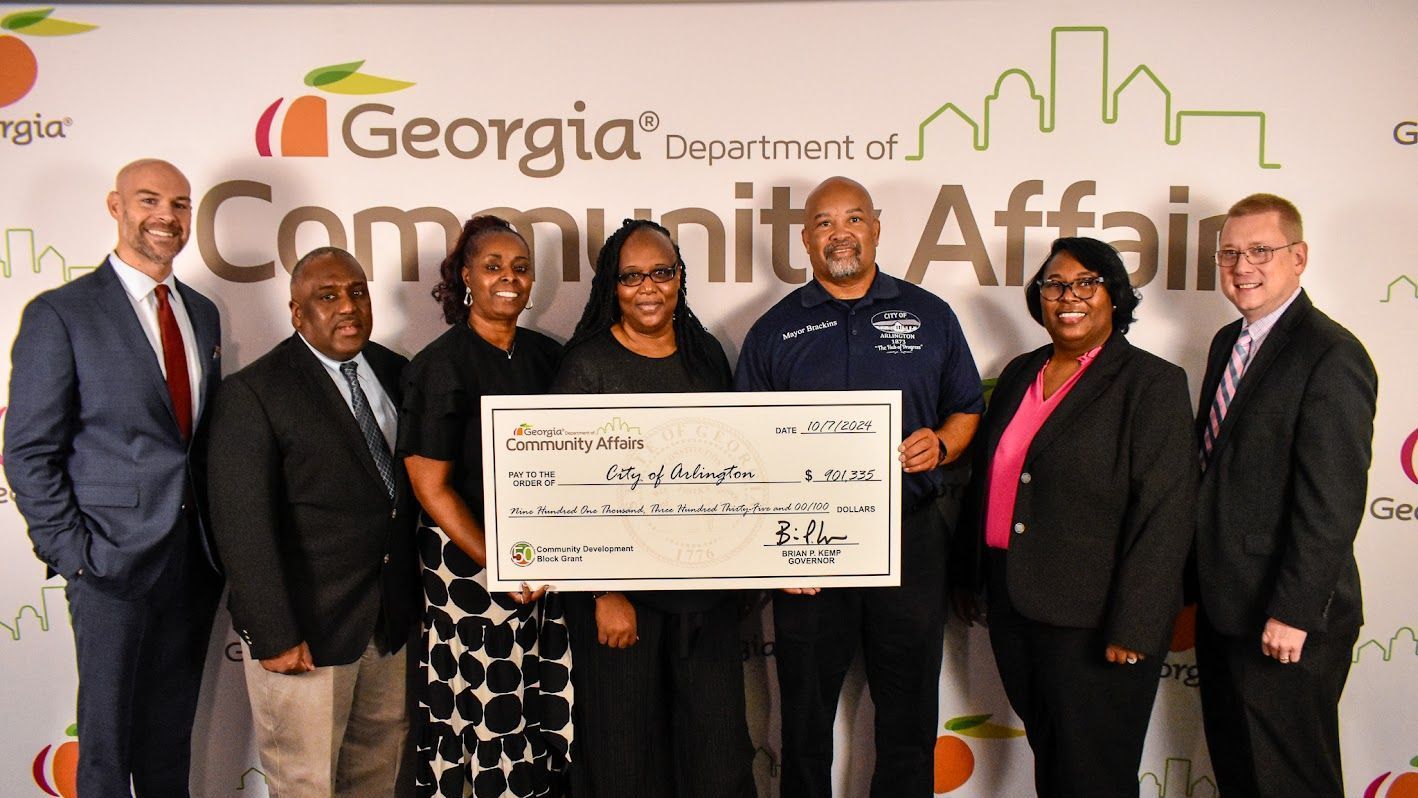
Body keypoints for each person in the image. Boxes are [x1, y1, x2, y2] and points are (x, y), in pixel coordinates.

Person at [735, 176, 982, 798]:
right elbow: (746, 449)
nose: (838, 233)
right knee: (806, 716)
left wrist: (944, 443)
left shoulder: (930, 315)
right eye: (823, 223)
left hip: (911, 538)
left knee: (909, 710)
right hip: (809, 548)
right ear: (805, 240)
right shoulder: (772, 330)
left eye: (852, 219)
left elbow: (966, 408)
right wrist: (776, 550)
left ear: (875, 228)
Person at [3, 159, 223, 796]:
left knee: (168, 746)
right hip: (109, 565)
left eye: (180, 205)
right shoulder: (63, 313)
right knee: (104, 751)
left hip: (192, 561)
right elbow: (27, 451)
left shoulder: (203, 314)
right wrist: (76, 557)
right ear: (116, 207)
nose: (166, 217)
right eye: (149, 200)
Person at [954, 237, 1196, 797]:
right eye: (1055, 284)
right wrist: (970, 572)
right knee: (1058, 765)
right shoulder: (1020, 373)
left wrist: (1134, 624)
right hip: (1017, 606)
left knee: (1095, 775)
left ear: (1115, 296)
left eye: (1087, 283)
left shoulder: (1151, 384)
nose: (1069, 297)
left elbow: (1166, 513)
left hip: (1096, 621)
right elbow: (992, 478)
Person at [552, 218, 754, 798]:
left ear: (679, 277)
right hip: (623, 605)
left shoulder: (706, 353)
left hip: (706, 595)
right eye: (631, 276)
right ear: (610, 288)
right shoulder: (586, 366)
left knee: (719, 761)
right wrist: (603, 592)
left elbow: (737, 465)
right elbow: (567, 491)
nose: (647, 287)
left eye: (660, 272)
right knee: (625, 764)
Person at [206, 247, 417, 796]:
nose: (347, 307)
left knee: (376, 773)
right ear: (297, 313)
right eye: (327, 297)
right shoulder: (254, 392)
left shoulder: (397, 372)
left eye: (357, 292)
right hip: (305, 631)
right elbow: (241, 524)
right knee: (307, 782)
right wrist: (274, 632)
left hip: (387, 625)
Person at [1193, 194, 1376, 797]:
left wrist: (1294, 612)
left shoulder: (1332, 354)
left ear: (1298, 258)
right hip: (1227, 609)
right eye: (1229, 253)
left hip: (1286, 618)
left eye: (1260, 251)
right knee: (1243, 776)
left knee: (1292, 782)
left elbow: (1332, 501)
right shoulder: (1229, 342)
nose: (1242, 266)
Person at [399, 215, 572, 798]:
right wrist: (501, 561)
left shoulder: (552, 360)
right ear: (466, 276)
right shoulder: (440, 365)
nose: (509, 278)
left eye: (521, 268)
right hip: (469, 570)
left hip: (542, 569)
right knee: (482, 714)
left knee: (539, 709)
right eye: (494, 266)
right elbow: (430, 487)